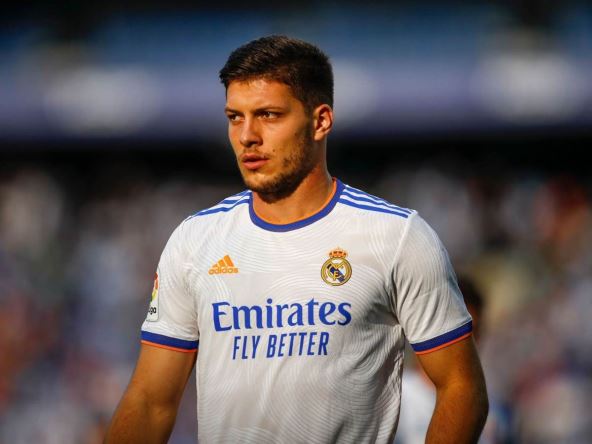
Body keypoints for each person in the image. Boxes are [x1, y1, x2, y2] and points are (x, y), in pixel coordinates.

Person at [104, 35, 488, 444]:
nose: (247, 136)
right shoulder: (194, 240)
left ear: (320, 121)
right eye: (235, 117)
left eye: (268, 115)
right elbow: (150, 401)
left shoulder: (396, 236)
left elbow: (462, 389)